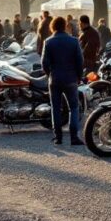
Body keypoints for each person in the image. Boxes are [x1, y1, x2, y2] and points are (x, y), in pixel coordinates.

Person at [41, 16, 84, 146]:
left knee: (55, 108)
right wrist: (78, 77)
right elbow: (80, 61)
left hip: (55, 79)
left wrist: (50, 74)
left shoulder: (48, 42)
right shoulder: (74, 41)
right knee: (74, 108)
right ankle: (74, 137)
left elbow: (44, 63)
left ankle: (58, 137)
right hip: (71, 78)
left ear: (52, 26)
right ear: (65, 25)